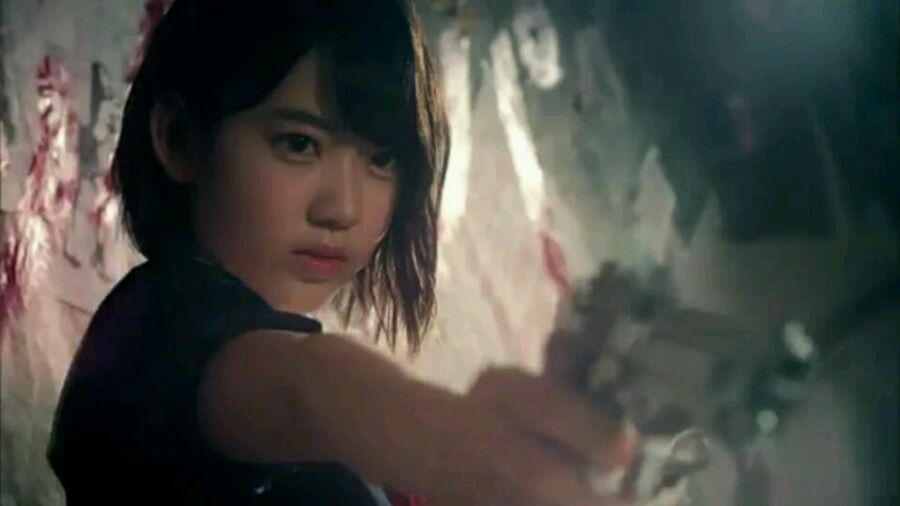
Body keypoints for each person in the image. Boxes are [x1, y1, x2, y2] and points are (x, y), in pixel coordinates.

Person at [47, 0, 635, 504]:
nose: (343, 208)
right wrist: (448, 438)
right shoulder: (154, 328)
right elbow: (303, 387)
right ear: (179, 139)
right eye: (300, 144)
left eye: (382, 159)